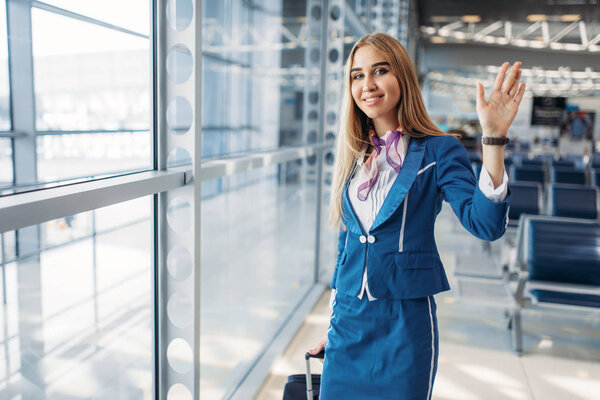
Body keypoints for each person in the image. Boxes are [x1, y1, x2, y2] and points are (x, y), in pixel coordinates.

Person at [308, 33, 525, 399]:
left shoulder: (439, 149)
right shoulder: (352, 156)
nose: (368, 84)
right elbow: (348, 250)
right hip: (347, 325)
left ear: (403, 77)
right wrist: (331, 328)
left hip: (405, 326)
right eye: (357, 75)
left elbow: (486, 225)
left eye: (380, 70)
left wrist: (493, 139)